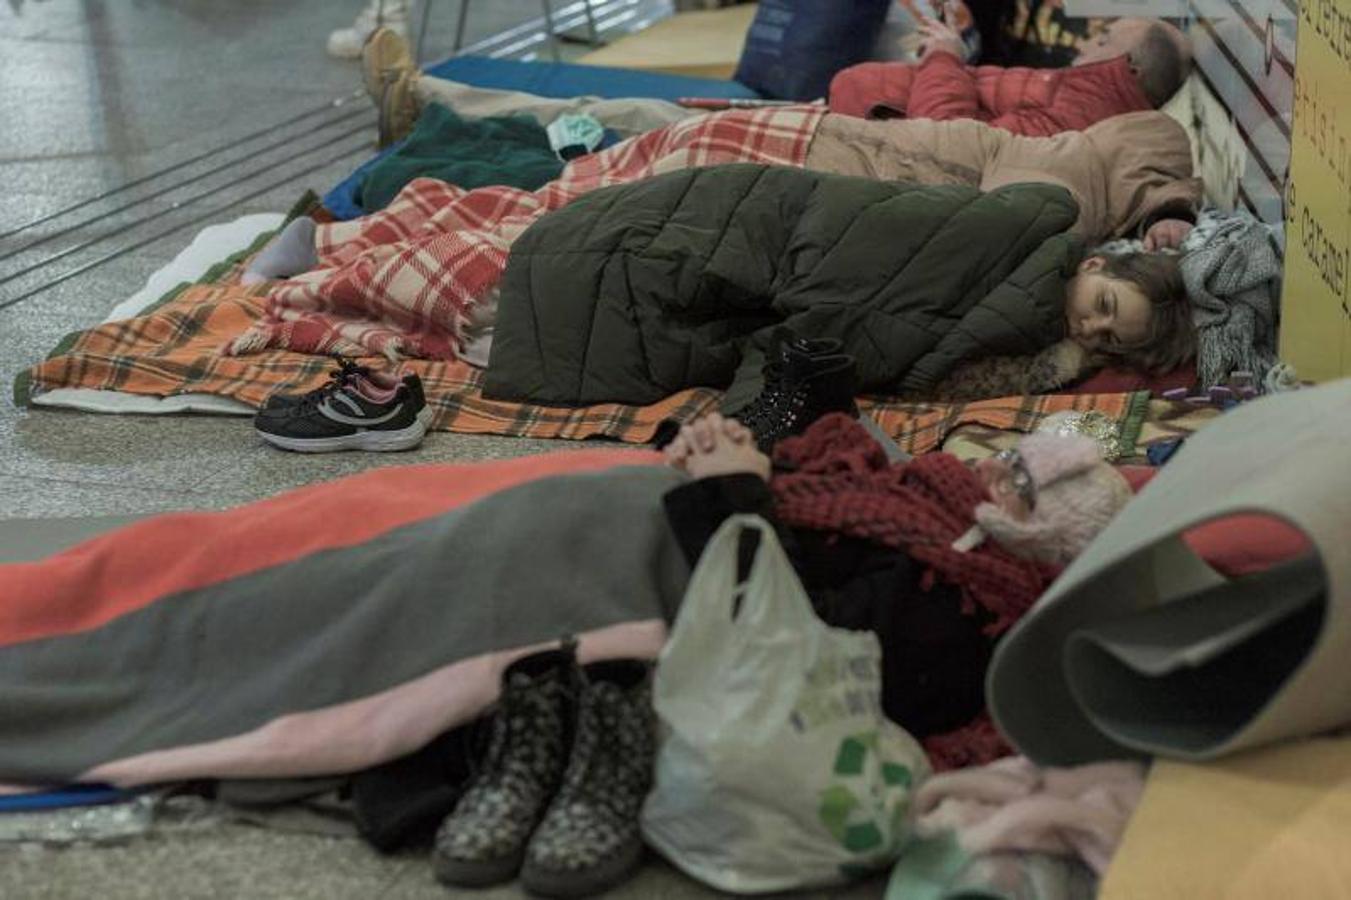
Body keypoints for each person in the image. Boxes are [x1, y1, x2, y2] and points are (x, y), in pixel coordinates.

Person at [481, 165, 1195, 414]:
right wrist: (749, 426)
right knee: (579, 296)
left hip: (740, 248)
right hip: (715, 233)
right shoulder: (1007, 236)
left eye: (1106, 339)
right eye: (1102, 308)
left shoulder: (1019, 323)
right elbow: (841, 309)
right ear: (1097, 265)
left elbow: (905, 344)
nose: (1088, 328)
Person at [829, 15, 1192, 136]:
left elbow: (947, 137)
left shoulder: (1082, 111)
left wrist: (944, 56)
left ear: (1130, 68)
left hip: (867, 129)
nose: (1084, 45)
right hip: (859, 117)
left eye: (1104, 39)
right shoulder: (1081, 92)